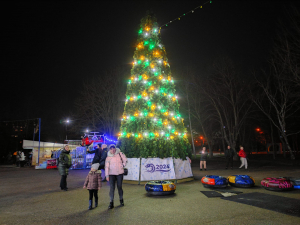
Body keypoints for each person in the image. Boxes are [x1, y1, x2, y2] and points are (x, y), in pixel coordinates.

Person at [105, 144, 127, 209]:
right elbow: (106, 167)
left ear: (115, 148)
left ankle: (121, 200)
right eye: (111, 149)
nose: (113, 150)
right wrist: (106, 175)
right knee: (112, 188)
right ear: (109, 150)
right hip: (111, 174)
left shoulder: (120, 154)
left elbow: (125, 160)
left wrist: (122, 165)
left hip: (120, 173)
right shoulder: (108, 157)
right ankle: (111, 202)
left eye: (113, 148)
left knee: (119, 187)